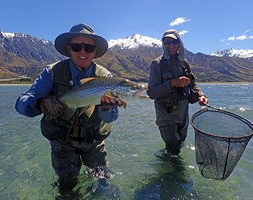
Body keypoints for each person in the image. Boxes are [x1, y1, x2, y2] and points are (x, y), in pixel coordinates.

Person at [15, 23, 123, 192]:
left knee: (102, 182)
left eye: (88, 48)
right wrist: (39, 103)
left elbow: (111, 118)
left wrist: (108, 109)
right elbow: (21, 104)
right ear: (68, 48)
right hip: (61, 142)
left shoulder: (105, 78)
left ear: (94, 51)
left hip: (93, 141)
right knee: (67, 187)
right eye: (76, 46)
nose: (82, 52)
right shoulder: (52, 72)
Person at [147, 29, 208, 155]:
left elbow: (192, 83)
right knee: (173, 144)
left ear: (179, 43)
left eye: (173, 42)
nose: (170, 45)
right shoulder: (157, 64)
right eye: (167, 42)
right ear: (163, 44)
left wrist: (201, 96)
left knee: (180, 143)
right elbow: (151, 92)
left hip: (183, 114)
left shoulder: (184, 63)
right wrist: (172, 83)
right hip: (166, 115)